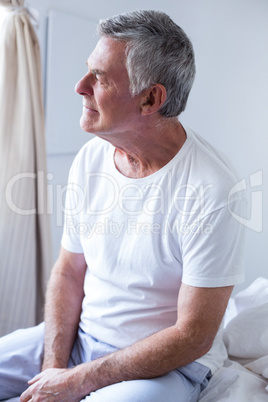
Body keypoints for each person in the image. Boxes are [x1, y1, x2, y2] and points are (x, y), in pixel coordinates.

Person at [0, 10, 244, 402]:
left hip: (167, 366)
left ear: (151, 98)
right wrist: (54, 368)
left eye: (100, 78)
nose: (80, 87)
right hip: (83, 341)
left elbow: (193, 336)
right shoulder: (90, 159)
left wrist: (81, 381)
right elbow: (69, 270)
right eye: (88, 72)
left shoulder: (212, 189)